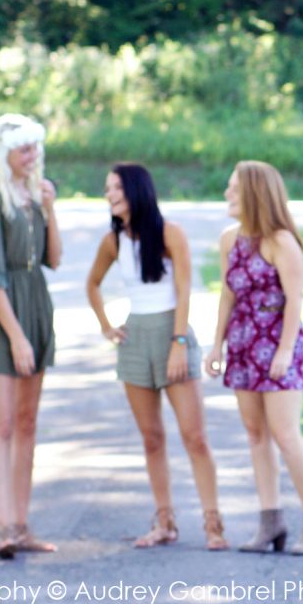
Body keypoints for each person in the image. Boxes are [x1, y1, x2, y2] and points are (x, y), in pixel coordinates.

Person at [86, 162, 228, 550]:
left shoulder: (171, 233)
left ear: (135, 190)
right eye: (106, 189)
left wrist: (179, 342)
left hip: (173, 332)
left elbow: (184, 291)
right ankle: (164, 522)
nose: (109, 195)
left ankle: (213, 523)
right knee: (152, 438)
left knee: (194, 436)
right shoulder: (113, 241)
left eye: (114, 188)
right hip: (135, 340)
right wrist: (106, 325)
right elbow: (92, 284)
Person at [204, 161, 303, 555]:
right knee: (255, 435)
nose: (227, 195)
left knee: (286, 436)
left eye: (234, 189)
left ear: (255, 194)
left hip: (277, 345)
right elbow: (228, 294)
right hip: (242, 345)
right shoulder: (230, 239)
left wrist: (285, 351)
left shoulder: (281, 241)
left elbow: (295, 300)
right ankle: (270, 522)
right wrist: (217, 343)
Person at [0, 113, 62, 559]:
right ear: (4, 151)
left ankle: (23, 525)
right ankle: (4, 525)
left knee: (27, 423)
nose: (33, 157)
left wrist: (50, 209)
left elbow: (54, 259)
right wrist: (17, 338)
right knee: (2, 425)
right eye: (25, 149)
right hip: (3, 314)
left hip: (35, 304)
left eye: (35, 149)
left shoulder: (32, 195)